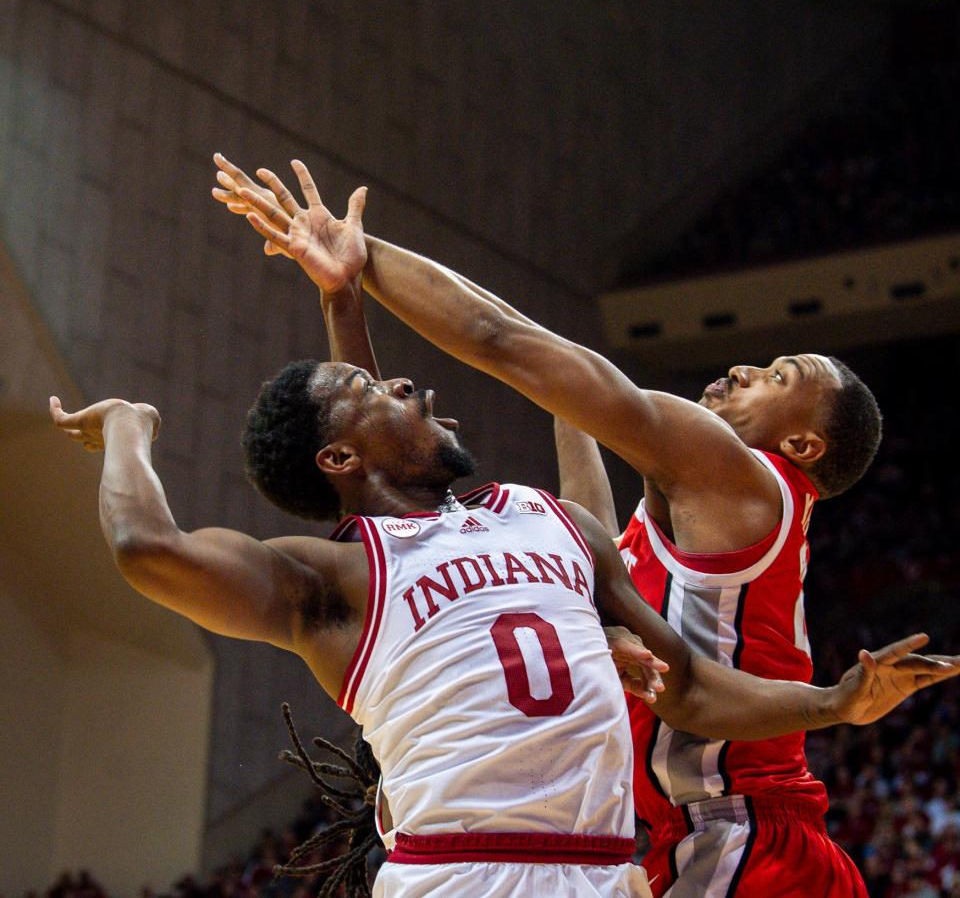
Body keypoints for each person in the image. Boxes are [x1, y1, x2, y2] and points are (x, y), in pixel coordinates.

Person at [207, 153, 924, 898]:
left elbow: (500, 340)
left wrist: (364, 262)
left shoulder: (743, 479)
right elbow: (403, 485)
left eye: (779, 378)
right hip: (683, 838)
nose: (747, 373)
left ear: (802, 446)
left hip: (746, 842)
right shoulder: (678, 514)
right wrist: (349, 307)